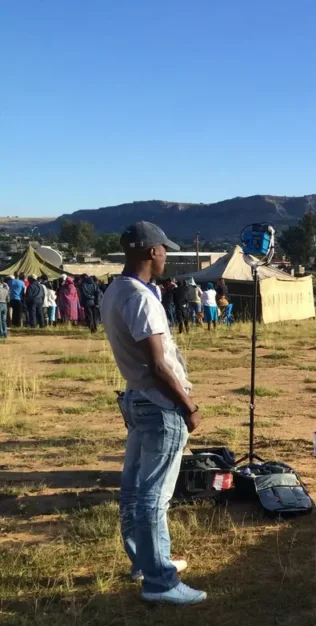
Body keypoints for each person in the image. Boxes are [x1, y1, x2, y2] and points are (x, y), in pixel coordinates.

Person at [101, 221, 206, 606]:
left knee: (133, 492)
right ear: (151, 252)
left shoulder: (116, 290)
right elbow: (159, 364)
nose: (166, 256)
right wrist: (187, 406)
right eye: (164, 250)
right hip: (159, 403)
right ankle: (160, 581)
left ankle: (145, 562)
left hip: (137, 398)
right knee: (153, 496)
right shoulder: (141, 298)